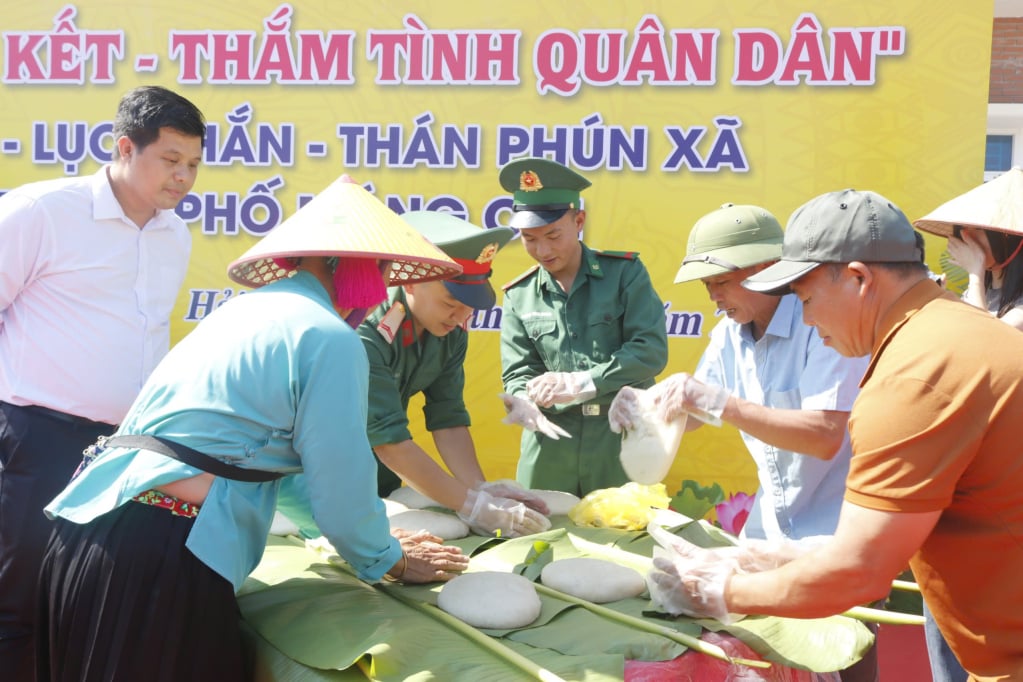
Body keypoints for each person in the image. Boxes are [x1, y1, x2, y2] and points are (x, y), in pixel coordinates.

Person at [35, 176, 471, 681]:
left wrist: (367, 539)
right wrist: (388, 560)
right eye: (378, 269)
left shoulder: (241, 313)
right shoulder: (328, 337)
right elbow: (341, 483)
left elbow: (266, 462)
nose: (378, 286)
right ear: (352, 268)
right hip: (159, 560)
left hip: (89, 539)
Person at [646, 189, 1023, 680]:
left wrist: (717, 591)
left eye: (804, 297)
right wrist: (779, 554)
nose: (805, 318)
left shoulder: (914, 375)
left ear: (859, 278)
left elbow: (859, 572)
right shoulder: (949, 329)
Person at [608, 202, 876, 681]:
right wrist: (642, 414)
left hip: (837, 535)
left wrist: (719, 403)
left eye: (720, 282)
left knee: (843, 653)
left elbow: (824, 436)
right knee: (773, 660)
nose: (713, 297)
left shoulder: (822, 323)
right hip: (767, 532)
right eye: (707, 286)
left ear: (766, 268)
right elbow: (692, 414)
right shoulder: (729, 332)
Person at [0, 84, 205, 680]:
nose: (183, 178)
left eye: (193, 164)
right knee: (20, 598)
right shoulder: (42, 212)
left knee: (90, 592)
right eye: (170, 160)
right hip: (38, 439)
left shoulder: (174, 234)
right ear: (123, 147)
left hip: (126, 447)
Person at [357, 210, 550, 537]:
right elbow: (389, 441)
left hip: (379, 481)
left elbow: (447, 418)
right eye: (451, 301)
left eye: (470, 304)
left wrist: (479, 489)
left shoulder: (449, 331)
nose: (461, 314)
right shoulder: (367, 332)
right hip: (312, 483)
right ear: (413, 282)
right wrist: (471, 505)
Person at [498, 158, 669, 496]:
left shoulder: (625, 274)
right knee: (538, 539)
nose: (542, 250)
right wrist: (523, 400)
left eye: (552, 235)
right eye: (529, 239)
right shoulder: (519, 294)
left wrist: (581, 382)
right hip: (548, 441)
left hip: (619, 433)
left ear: (578, 221)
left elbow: (650, 351)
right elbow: (517, 372)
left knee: (622, 535)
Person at [914, 167, 1023, 331]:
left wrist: (975, 274)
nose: (966, 236)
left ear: (1007, 236)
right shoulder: (976, 291)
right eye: (962, 228)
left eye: (977, 229)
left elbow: (980, 336)